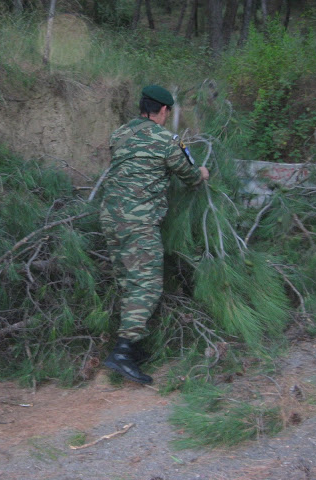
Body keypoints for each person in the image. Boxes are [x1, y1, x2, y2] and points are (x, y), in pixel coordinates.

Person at [100, 84, 210, 384]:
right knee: (146, 286)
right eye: (167, 112)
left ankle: (133, 349)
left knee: (127, 282)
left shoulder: (119, 134)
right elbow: (188, 176)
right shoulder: (166, 139)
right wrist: (202, 172)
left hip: (110, 218)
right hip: (138, 222)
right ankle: (123, 352)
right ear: (163, 110)